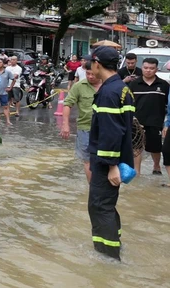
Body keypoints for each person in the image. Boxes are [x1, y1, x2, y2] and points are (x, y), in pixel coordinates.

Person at [87, 46, 135, 261]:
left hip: (106, 161)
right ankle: (112, 247)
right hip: (115, 158)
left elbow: (111, 132)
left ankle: (109, 258)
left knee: (100, 206)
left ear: (97, 64)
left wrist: (111, 165)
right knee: (106, 205)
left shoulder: (108, 92)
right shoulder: (122, 89)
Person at [128, 57, 168, 176]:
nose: (148, 70)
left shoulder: (164, 85)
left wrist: (166, 122)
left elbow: (168, 105)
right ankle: (137, 171)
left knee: (156, 147)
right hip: (136, 121)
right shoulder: (134, 84)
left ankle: (156, 165)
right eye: (145, 68)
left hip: (156, 121)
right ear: (142, 68)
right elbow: (128, 102)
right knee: (136, 147)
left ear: (156, 69)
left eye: (151, 68)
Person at [61, 61, 100, 182]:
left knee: (107, 159)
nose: (90, 77)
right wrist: (65, 125)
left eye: (93, 74)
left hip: (106, 129)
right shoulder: (79, 86)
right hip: (85, 128)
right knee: (88, 160)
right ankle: (92, 188)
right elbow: (67, 104)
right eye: (87, 74)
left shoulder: (108, 85)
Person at [0, 56, 16, 126]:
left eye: (0, 62)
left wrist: (10, 88)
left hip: (4, 92)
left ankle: (8, 121)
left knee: (5, 107)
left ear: (3, 64)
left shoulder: (7, 72)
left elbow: (13, 79)